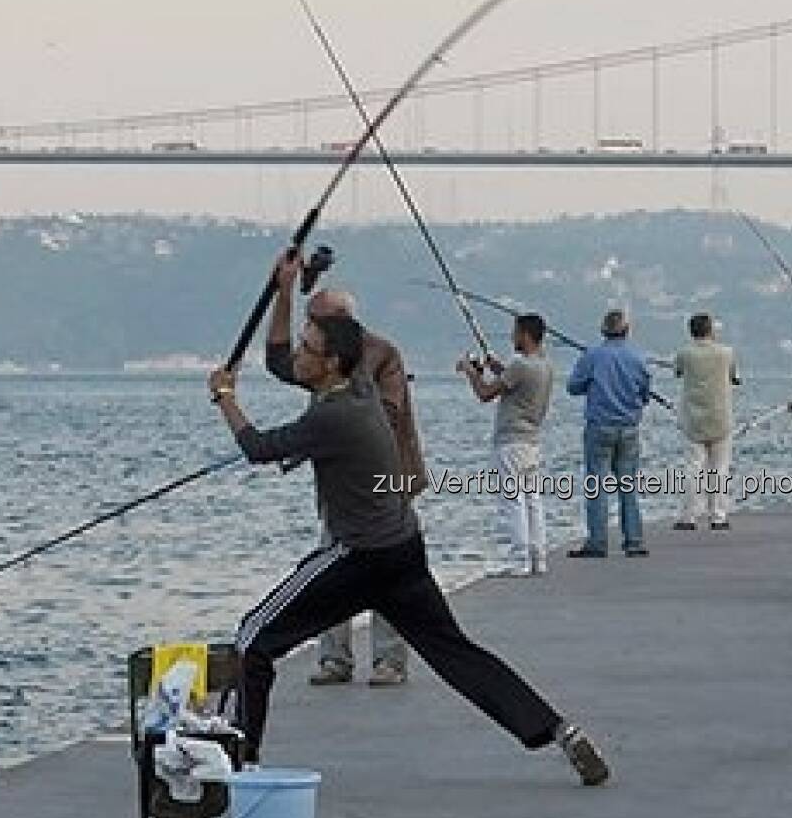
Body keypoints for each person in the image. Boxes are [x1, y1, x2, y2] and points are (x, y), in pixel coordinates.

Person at [208, 264, 608, 784]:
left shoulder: (331, 416)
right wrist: (286, 291)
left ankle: (240, 765)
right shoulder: (361, 385)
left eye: (309, 345)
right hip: (403, 548)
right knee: (457, 654)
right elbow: (283, 356)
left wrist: (226, 399)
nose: (297, 355)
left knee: (252, 639)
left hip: (360, 557)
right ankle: (560, 732)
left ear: (330, 362)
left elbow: (259, 448)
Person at [266, 277, 426, 687]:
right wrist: (283, 293)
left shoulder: (382, 354)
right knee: (333, 561)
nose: (305, 334)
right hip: (342, 484)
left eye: (311, 322)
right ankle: (335, 658)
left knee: (384, 566)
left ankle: (389, 660)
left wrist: (326, 436)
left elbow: (387, 416)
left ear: (335, 325)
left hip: (384, 481)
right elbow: (277, 359)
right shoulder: (316, 358)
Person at [457, 312, 554, 576]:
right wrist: (495, 367)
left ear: (524, 334)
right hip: (532, 443)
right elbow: (514, 380)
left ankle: (519, 560)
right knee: (532, 500)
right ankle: (538, 557)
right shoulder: (544, 364)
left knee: (511, 501)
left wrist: (470, 371)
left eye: (514, 332)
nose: (512, 337)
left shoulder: (521, 366)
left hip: (511, 442)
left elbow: (485, 393)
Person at [566, 308, 651, 558]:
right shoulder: (638, 358)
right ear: (627, 330)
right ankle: (633, 541)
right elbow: (645, 394)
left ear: (603, 330)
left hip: (599, 427)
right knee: (628, 487)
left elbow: (573, 387)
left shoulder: (592, 356)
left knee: (597, 486)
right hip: (629, 429)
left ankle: (598, 542)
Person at [671, 313, 740, 532]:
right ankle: (718, 515)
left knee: (693, 468)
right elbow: (734, 376)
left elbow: (677, 372)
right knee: (719, 469)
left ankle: (689, 516)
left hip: (693, 419)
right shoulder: (726, 353)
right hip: (721, 418)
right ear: (710, 330)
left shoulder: (685, 354)